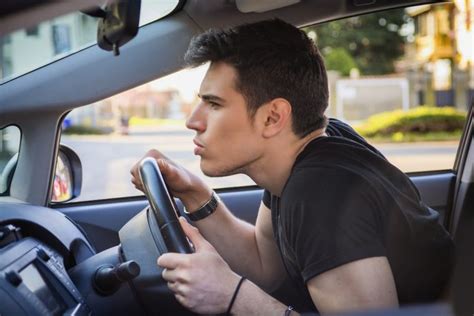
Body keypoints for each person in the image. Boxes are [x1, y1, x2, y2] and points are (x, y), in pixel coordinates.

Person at [130, 19, 454, 315]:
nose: (192, 121)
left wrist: (232, 295)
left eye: (213, 104)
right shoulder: (314, 148)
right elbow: (265, 262)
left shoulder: (321, 194)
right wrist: (196, 195)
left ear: (273, 117)